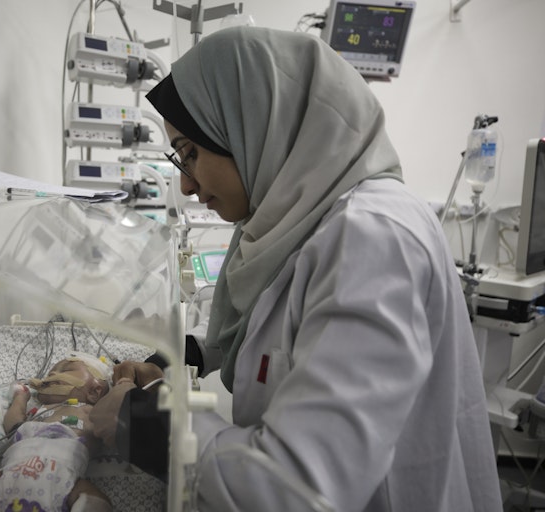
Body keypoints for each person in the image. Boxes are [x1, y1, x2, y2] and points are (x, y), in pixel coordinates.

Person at [89, 26, 504, 511]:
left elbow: (302, 486)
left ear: (254, 125)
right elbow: (279, 320)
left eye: (191, 153)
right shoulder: (296, 218)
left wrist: (146, 423)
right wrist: (189, 352)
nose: (184, 185)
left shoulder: (373, 237)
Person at [0, 353, 113, 512]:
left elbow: (114, 423)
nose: (52, 375)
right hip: (12, 470)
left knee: (98, 502)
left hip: (65, 477)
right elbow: (14, 427)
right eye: (50, 373)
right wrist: (20, 398)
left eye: (66, 371)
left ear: (94, 392)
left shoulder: (92, 411)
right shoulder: (38, 412)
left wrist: (120, 387)